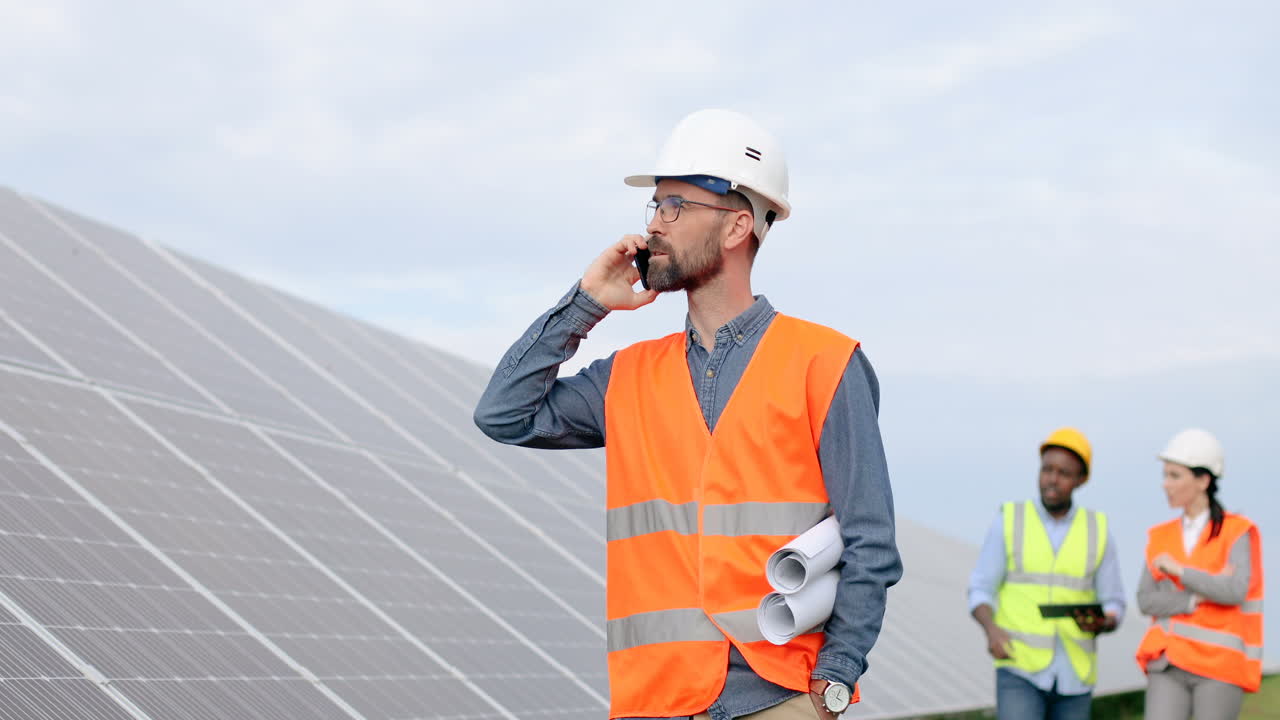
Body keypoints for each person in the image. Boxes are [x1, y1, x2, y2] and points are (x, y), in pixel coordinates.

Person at [473, 109, 901, 720]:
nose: (655, 225)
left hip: (780, 700)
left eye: (676, 205)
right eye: (656, 205)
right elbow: (504, 414)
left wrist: (831, 687)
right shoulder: (625, 376)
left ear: (737, 228)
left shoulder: (825, 363)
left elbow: (872, 543)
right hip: (657, 700)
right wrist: (586, 303)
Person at [967, 427, 1126, 720]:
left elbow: (1115, 602)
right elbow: (979, 589)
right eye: (1047, 469)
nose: (1052, 479)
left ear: (1080, 480)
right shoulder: (1009, 520)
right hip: (1019, 667)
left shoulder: (1098, 529)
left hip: (1075, 675)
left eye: (1064, 473)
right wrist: (991, 630)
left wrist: (1105, 621)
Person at [1135, 429, 1264, 720]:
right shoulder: (1160, 537)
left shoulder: (1236, 531)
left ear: (1203, 480)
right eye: (1165, 475)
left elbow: (1234, 590)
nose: (1165, 484)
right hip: (1168, 662)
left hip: (1219, 667)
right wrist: (1196, 598)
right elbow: (1145, 600)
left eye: (1174, 476)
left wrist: (1179, 572)